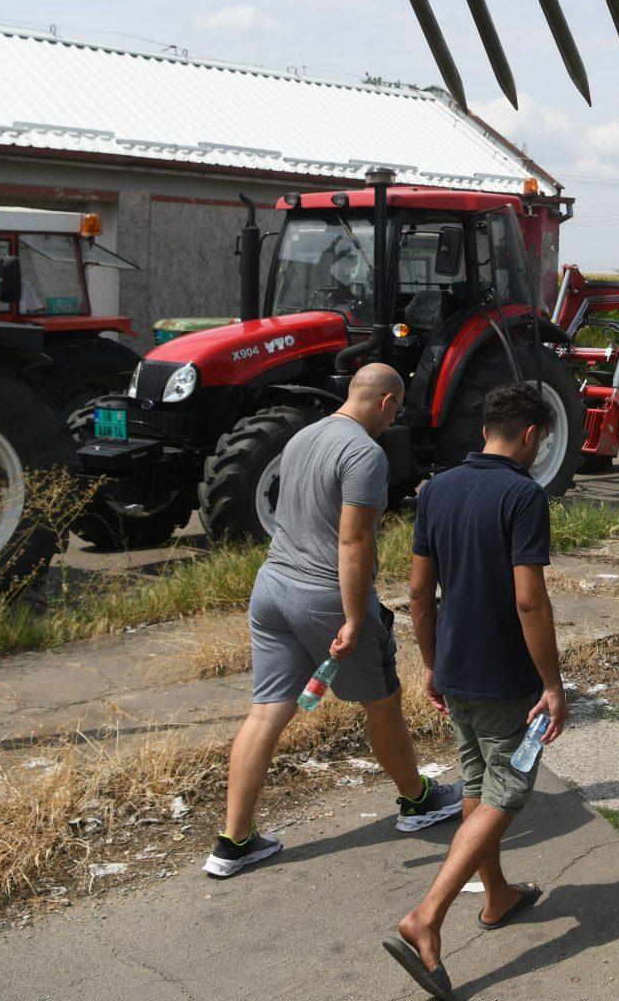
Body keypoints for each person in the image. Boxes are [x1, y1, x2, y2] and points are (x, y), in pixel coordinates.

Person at [205, 363, 462, 878]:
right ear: (388, 401)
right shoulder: (364, 453)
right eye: (398, 409)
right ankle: (417, 801)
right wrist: (351, 616)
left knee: (265, 713)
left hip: (272, 586)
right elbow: (354, 541)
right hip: (325, 597)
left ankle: (233, 841)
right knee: (383, 705)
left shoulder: (303, 436)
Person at [383, 382, 569, 1001]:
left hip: (455, 669)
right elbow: (528, 598)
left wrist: (433, 665)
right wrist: (552, 684)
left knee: (476, 783)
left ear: (485, 427)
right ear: (532, 435)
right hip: (504, 679)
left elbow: (416, 593)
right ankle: (426, 916)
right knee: (508, 789)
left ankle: (496, 896)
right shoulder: (522, 495)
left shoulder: (436, 491)